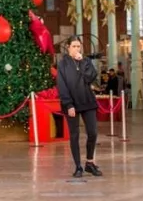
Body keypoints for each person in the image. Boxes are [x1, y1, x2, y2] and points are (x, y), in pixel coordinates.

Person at [57, 36, 103, 178]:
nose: (77, 49)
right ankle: (78, 166)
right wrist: (68, 104)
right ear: (68, 47)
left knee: (93, 132)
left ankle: (90, 162)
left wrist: (82, 61)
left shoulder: (86, 61)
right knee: (74, 135)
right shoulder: (63, 64)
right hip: (71, 103)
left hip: (87, 101)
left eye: (79, 46)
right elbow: (62, 85)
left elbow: (91, 77)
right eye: (74, 46)